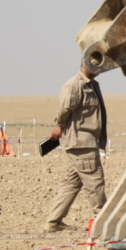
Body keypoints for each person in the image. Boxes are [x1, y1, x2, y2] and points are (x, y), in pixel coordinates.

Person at [45, 65, 108, 232]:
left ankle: (54, 221)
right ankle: (104, 222)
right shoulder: (74, 85)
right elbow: (64, 109)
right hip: (81, 143)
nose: (100, 68)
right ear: (85, 64)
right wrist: (59, 126)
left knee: (72, 183)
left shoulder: (90, 84)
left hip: (86, 142)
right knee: (95, 182)